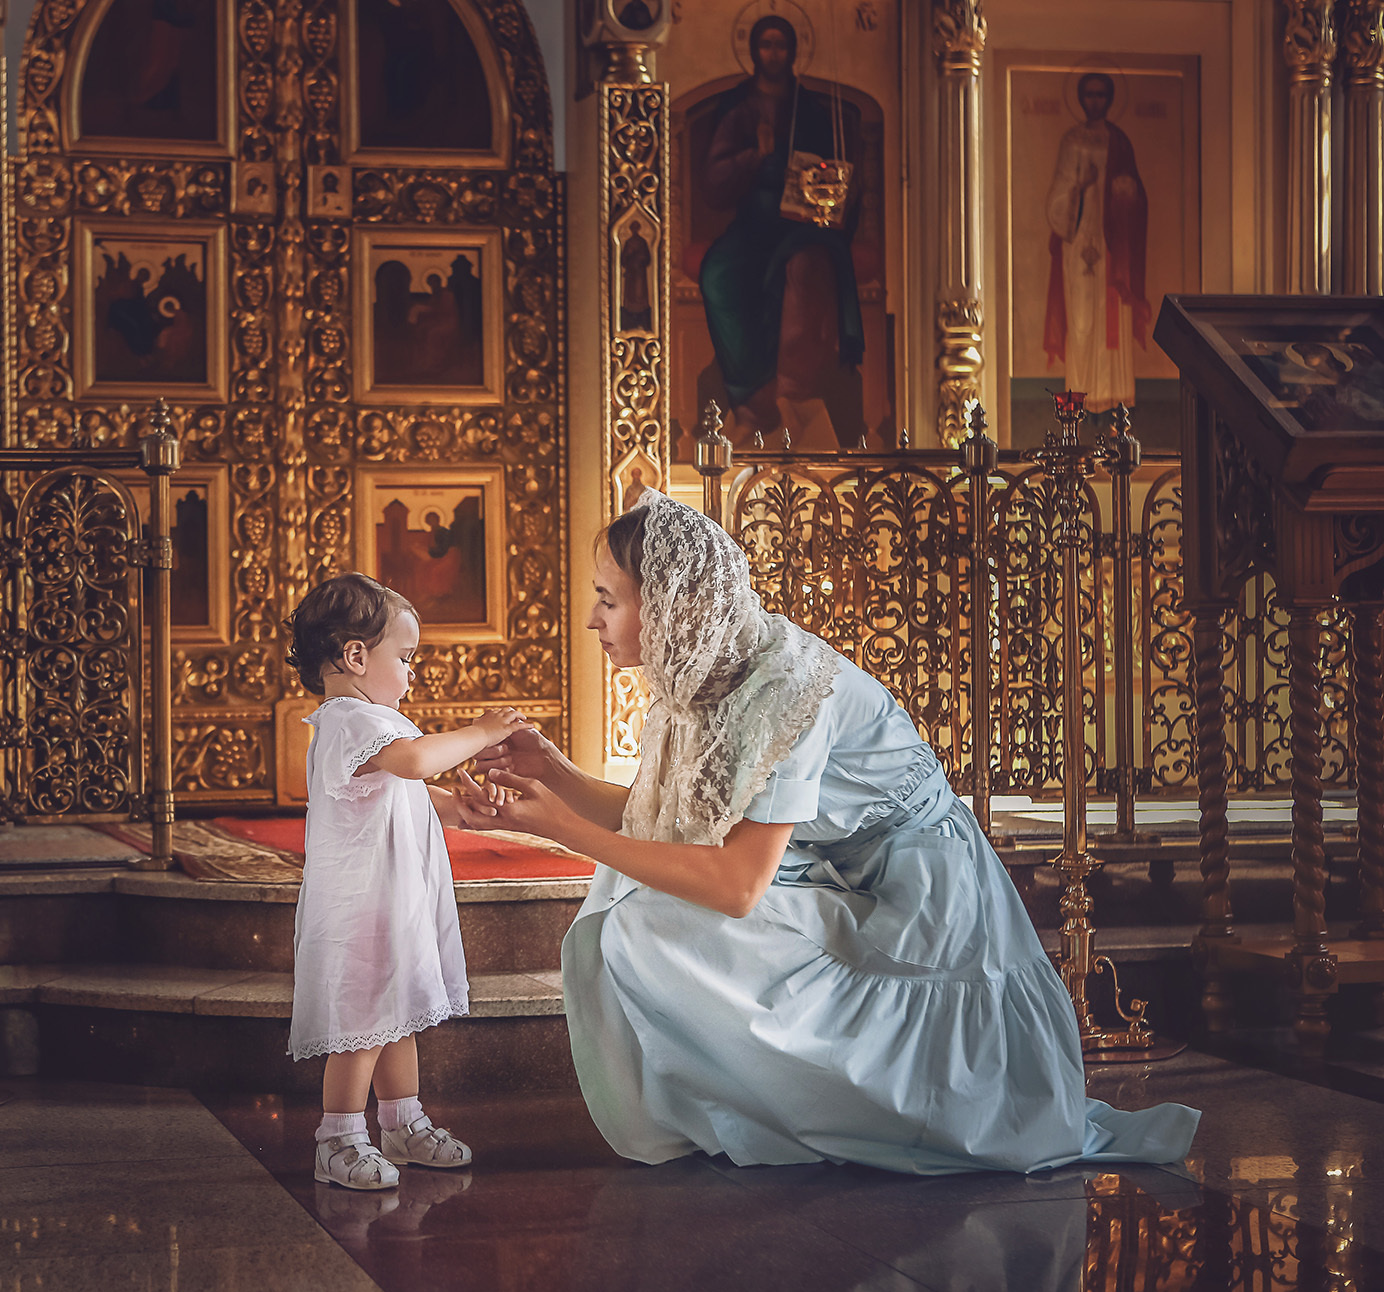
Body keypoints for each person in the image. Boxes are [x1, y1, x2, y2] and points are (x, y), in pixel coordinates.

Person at [460, 494, 1200, 1174]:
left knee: (640, 902)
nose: (592, 618)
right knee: (633, 895)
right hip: (830, 865)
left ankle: (821, 1104)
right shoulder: (703, 669)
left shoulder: (787, 689)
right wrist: (556, 775)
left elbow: (737, 883)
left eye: (607, 599)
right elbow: (665, 823)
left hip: (920, 893)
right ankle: (750, 1098)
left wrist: (564, 831)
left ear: (672, 606)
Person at [284, 573, 532, 1190]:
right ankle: (337, 1137)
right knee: (362, 1022)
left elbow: (414, 790)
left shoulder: (375, 725)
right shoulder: (348, 719)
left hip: (394, 901)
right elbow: (417, 761)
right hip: (360, 907)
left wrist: (464, 807)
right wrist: (485, 731)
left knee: (398, 1015)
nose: (413, 671)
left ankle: (402, 1122)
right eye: (405, 656)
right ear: (356, 656)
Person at [693, 15, 864, 449]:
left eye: (780, 45)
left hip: (804, 222)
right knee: (717, 273)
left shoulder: (809, 110)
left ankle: (796, 394)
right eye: (765, 45)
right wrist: (755, 154)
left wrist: (818, 184)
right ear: (753, 51)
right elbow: (713, 181)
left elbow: (836, 173)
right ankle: (750, 402)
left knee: (807, 270)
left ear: (792, 52)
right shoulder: (739, 107)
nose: (773, 53)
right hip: (754, 223)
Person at [1044, 72, 1149, 412]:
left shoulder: (1120, 142)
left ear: (1110, 98)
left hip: (1112, 246)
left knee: (1111, 316)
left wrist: (1126, 193)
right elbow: (1057, 200)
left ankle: (1116, 401)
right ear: (1080, 98)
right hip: (1078, 243)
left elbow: (1136, 195)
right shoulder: (1070, 141)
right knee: (1081, 320)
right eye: (1088, 95)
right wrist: (1080, 185)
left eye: (1101, 95)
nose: (1094, 101)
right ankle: (1077, 402)